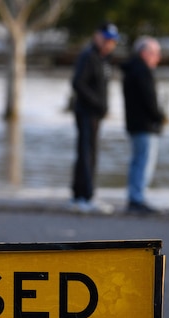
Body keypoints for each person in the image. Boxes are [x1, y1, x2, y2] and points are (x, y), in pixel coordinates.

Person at [69, 22, 119, 214]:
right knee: (86, 152)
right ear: (97, 36)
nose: (110, 44)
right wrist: (97, 103)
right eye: (106, 39)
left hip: (97, 114)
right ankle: (85, 196)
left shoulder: (104, 59)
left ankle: (81, 194)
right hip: (86, 112)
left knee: (91, 152)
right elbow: (78, 83)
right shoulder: (88, 56)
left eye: (112, 41)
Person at [121, 36, 165, 214]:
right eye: (155, 53)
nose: (158, 57)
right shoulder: (142, 71)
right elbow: (149, 100)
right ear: (144, 53)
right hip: (145, 125)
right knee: (143, 162)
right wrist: (159, 117)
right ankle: (137, 200)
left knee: (137, 161)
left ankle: (135, 198)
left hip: (134, 123)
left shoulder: (131, 69)